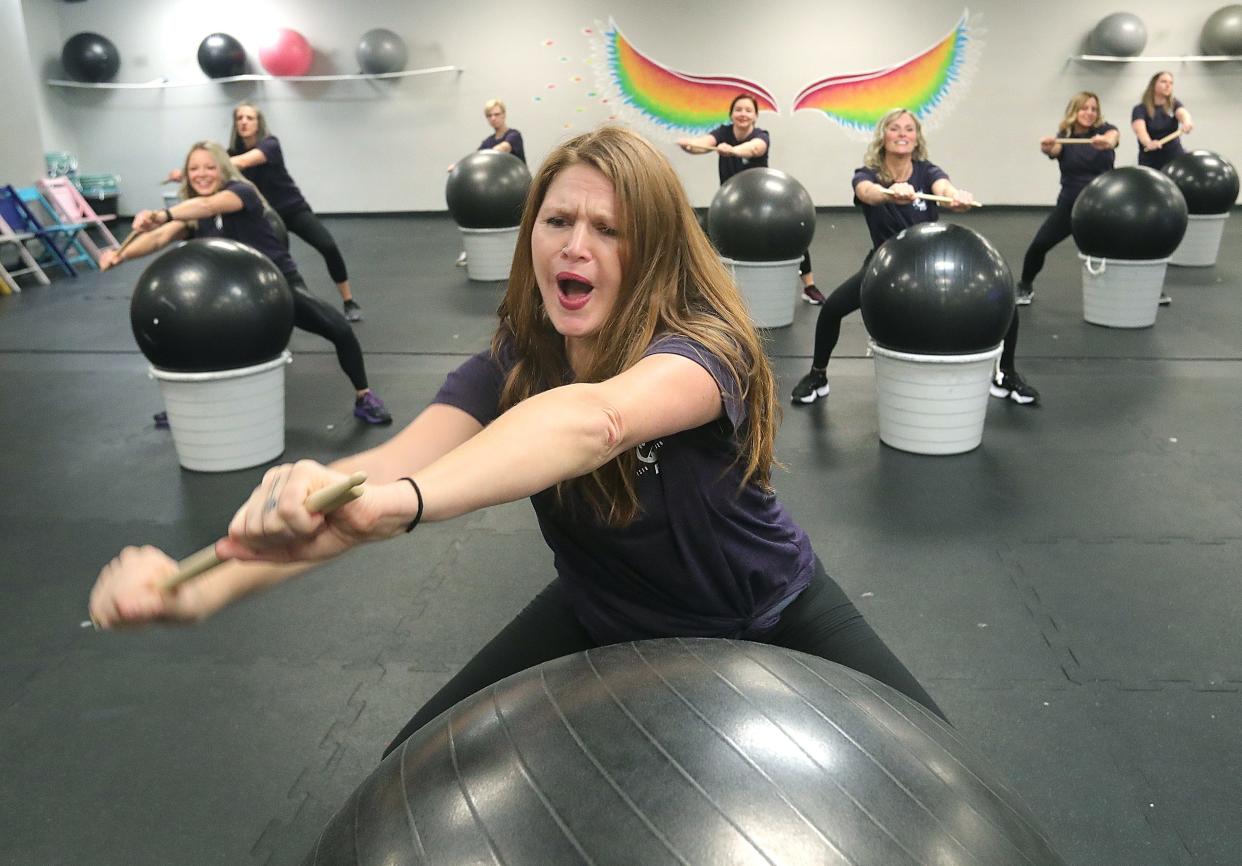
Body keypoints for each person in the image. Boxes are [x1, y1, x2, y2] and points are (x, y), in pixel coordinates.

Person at [89, 126, 943, 762]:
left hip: (767, 606)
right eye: (557, 220)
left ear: (651, 250)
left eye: (608, 230)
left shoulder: (703, 344)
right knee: (416, 760)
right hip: (603, 607)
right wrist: (200, 587)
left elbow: (594, 421)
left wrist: (409, 505)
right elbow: (380, 474)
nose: (575, 246)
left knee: (933, 764)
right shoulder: (514, 360)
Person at [102, 141, 392, 426]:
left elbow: (206, 205)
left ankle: (364, 397)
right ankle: (185, 408)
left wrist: (162, 214)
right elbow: (158, 237)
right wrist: (120, 254)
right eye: (194, 169)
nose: (201, 174)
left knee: (338, 329)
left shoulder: (241, 192)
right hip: (227, 298)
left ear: (223, 169)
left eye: (209, 167)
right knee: (196, 342)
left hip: (276, 286)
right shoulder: (190, 215)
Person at [788, 109, 1038, 407]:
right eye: (895, 128)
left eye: (909, 129)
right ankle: (818, 374)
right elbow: (867, 193)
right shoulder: (867, 174)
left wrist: (956, 196)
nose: (903, 133)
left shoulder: (927, 171)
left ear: (916, 138)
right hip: (886, 265)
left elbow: (943, 188)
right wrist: (889, 192)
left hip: (927, 266)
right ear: (883, 136)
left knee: (1005, 303)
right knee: (832, 310)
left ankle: (1006, 373)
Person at [167, 104, 364, 321]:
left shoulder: (270, 144)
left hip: (291, 209)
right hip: (260, 217)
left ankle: (348, 300)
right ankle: (285, 308)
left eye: (249, 118)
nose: (244, 122)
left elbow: (242, 162)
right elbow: (216, 173)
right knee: (273, 264)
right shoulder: (229, 153)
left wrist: (193, 170)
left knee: (327, 245)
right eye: (240, 118)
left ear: (258, 122)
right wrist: (199, 171)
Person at [677, 94, 823, 304]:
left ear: (755, 116)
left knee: (792, 231)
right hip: (732, 206)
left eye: (748, 110)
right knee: (703, 235)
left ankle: (809, 286)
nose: (742, 114)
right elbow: (702, 144)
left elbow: (755, 148)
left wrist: (733, 150)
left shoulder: (761, 135)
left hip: (763, 204)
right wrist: (691, 145)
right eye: (738, 109)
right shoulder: (723, 132)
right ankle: (703, 288)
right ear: (731, 114)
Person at [1016, 92, 1119, 306]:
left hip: (1102, 207)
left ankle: (1150, 289)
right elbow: (1054, 149)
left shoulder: (1105, 131)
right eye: (1084, 108)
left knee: (1125, 247)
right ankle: (1025, 286)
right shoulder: (1065, 135)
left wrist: (1106, 142)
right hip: (1071, 205)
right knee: (1039, 245)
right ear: (1075, 111)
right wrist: (1047, 148)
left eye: (1093, 109)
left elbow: (1113, 138)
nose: (1089, 113)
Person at [454, 99, 526, 267]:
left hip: (517, 189)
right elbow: (474, 160)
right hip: (495, 194)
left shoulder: (514, 135)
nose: (493, 118)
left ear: (504, 115)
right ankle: (471, 250)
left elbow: (504, 148)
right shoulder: (487, 141)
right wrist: (459, 166)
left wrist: (486, 155)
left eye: (496, 114)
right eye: (489, 116)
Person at [1131, 71, 1193, 172]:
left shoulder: (1174, 104)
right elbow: (1139, 130)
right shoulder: (1140, 109)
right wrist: (1148, 142)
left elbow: (1182, 113)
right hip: (1150, 159)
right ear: (1153, 85)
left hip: (1174, 157)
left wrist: (1187, 122)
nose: (1168, 85)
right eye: (1164, 81)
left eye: (1171, 83)